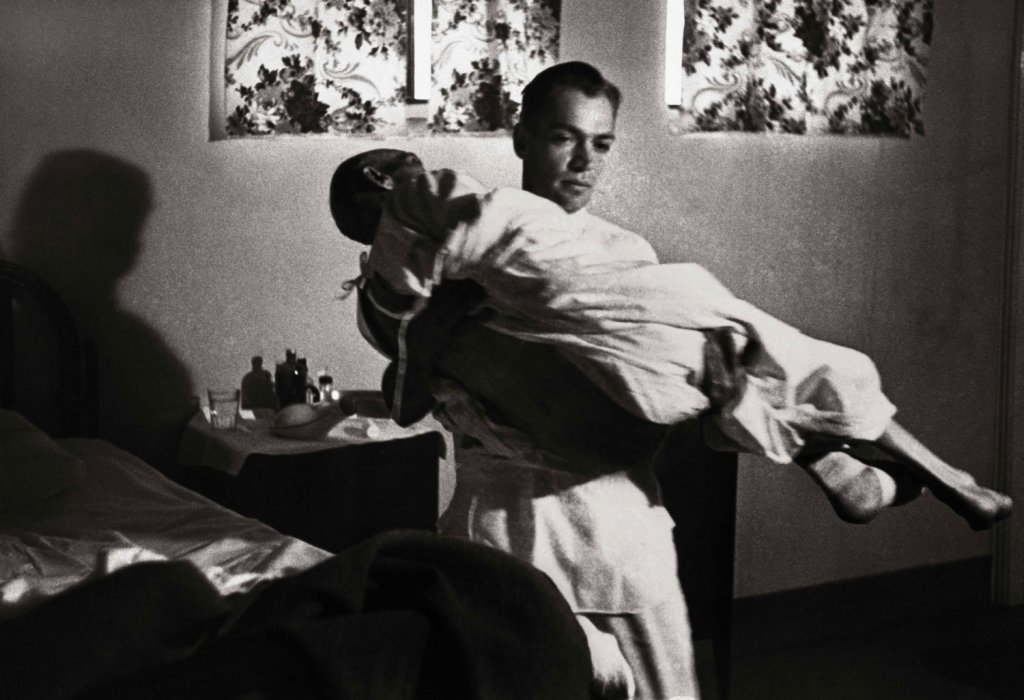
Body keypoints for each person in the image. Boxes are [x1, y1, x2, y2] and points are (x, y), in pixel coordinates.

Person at [333, 63, 1011, 698]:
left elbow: (653, 402)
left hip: (618, 529)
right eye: (564, 139)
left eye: (601, 144)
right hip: (505, 531)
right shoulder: (441, 253)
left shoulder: (625, 257)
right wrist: (433, 338)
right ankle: (832, 458)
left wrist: (725, 395)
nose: (584, 161)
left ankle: (827, 453)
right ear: (522, 139)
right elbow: (411, 394)